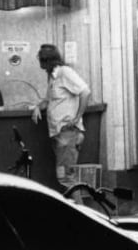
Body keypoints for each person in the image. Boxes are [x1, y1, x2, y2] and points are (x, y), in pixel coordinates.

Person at [31, 43, 91, 190]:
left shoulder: (65, 72)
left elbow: (85, 91)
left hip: (67, 133)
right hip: (57, 133)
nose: (40, 63)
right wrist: (38, 107)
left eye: (42, 59)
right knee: (65, 176)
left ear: (49, 60)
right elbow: (49, 100)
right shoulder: (52, 77)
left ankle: (78, 210)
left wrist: (77, 118)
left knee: (66, 177)